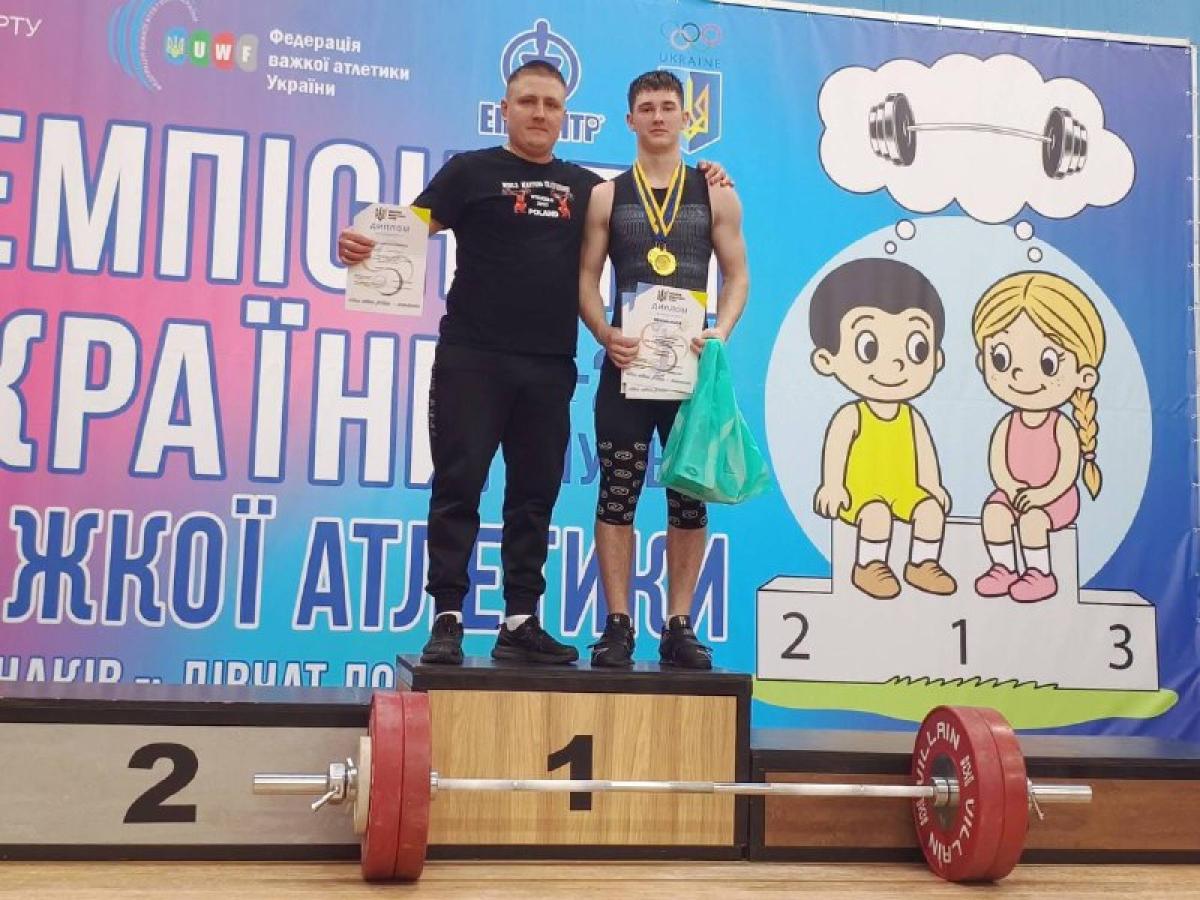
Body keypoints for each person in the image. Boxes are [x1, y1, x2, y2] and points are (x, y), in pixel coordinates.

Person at [337, 61, 730, 665]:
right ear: (505, 109)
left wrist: (708, 173)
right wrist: (360, 244)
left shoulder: (590, 189)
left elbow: (652, 199)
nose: (540, 113)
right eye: (528, 102)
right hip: (471, 359)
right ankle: (447, 618)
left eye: (551, 104)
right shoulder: (469, 171)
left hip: (548, 364)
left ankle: (520, 620)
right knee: (458, 486)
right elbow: (407, 230)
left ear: (565, 115)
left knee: (533, 494)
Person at [578, 70, 749, 669]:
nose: (657, 116)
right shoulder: (606, 196)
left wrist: (721, 331)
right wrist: (604, 333)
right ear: (630, 119)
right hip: (626, 369)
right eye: (646, 107)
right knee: (617, 491)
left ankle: (679, 624)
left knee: (688, 498)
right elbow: (585, 279)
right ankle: (617, 624)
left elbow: (738, 276)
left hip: (689, 375)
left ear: (685, 117)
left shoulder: (716, 193)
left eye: (668, 106)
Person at [809, 258, 956, 600]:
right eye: (869, 347)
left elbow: (925, 456)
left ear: (936, 358)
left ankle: (922, 563)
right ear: (827, 360)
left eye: (917, 348)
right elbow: (836, 451)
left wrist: (932, 486)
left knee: (930, 511)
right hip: (861, 495)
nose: (896, 363)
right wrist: (833, 485)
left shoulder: (912, 418)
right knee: (875, 514)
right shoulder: (852, 416)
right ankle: (870, 564)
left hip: (905, 491)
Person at [971, 271, 1104, 603]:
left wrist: (1042, 494)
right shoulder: (1007, 424)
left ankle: (1040, 573)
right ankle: (1003, 567)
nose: (1019, 374)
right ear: (983, 361)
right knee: (993, 514)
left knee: (1032, 522)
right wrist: (1011, 488)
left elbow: (1066, 473)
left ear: (1084, 376)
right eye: (1001, 358)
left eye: (1048, 363)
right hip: (1013, 494)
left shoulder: (1061, 426)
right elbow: (998, 465)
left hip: (1055, 499)